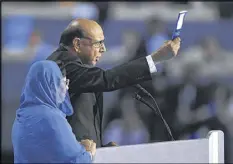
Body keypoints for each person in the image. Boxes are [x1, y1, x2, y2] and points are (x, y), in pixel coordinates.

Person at [47, 18, 181, 147]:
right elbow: (107, 79)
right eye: (97, 43)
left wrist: (102, 148)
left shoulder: (71, 64)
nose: (103, 49)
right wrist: (155, 59)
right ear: (77, 44)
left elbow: (78, 121)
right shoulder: (65, 64)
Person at [11, 60, 96, 163]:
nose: (65, 88)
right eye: (62, 82)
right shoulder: (52, 118)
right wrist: (88, 153)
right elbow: (74, 161)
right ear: (49, 85)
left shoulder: (20, 117)